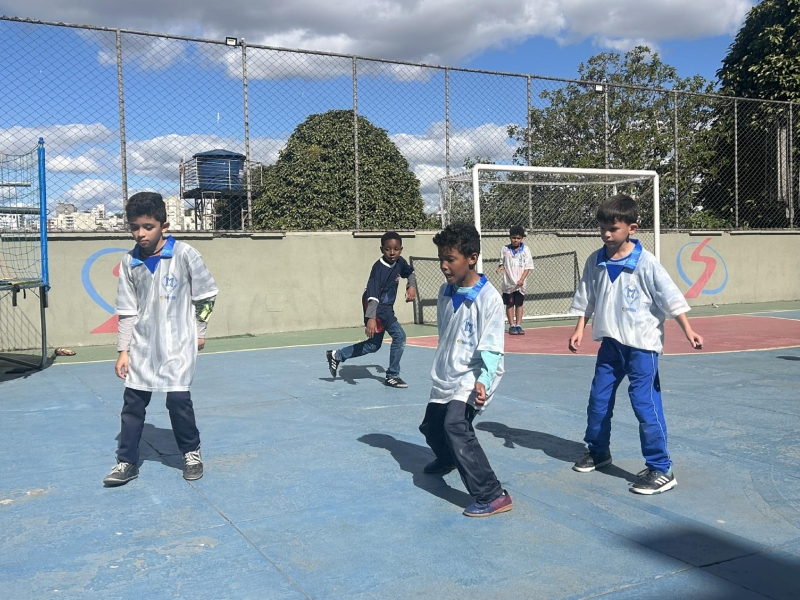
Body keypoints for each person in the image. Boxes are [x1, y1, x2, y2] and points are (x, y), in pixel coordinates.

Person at [568, 194, 703, 495]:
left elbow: (670, 297)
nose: (606, 234)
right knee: (598, 399)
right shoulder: (595, 260)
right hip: (610, 345)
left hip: (642, 346)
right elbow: (586, 297)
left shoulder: (646, 262)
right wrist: (579, 329)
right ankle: (599, 451)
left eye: (613, 228)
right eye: (602, 228)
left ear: (632, 228)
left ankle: (661, 468)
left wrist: (688, 330)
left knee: (645, 404)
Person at [103, 192, 218, 487]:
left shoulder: (185, 254)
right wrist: (123, 349)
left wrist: (200, 331)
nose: (140, 233)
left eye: (148, 226)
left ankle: (190, 453)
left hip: (178, 343)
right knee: (133, 403)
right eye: (134, 227)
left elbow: (206, 295)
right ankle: (127, 461)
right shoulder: (129, 262)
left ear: (163, 226)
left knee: (178, 400)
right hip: (142, 345)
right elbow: (127, 310)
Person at [420, 222, 512, 517]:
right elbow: (446, 334)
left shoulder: (489, 299)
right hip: (448, 372)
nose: (444, 266)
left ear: (472, 258)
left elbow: (493, 348)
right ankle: (448, 458)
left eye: (450, 259)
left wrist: (484, 380)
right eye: (441, 259)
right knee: (432, 426)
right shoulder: (445, 292)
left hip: (475, 373)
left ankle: (493, 494)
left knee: (456, 425)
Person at [326, 231, 417, 388]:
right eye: (388, 249)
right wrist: (371, 318)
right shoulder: (378, 269)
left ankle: (337, 355)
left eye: (396, 249)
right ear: (382, 249)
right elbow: (372, 295)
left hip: (386, 307)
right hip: (376, 307)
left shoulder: (400, 262)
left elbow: (410, 273)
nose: (392, 252)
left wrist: (411, 286)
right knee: (400, 337)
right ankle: (392, 376)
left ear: (401, 249)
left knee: (373, 345)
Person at [498, 225, 534, 335]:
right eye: (513, 237)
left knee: (519, 304)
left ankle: (518, 325)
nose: (516, 240)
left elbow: (528, 267)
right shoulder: (505, 249)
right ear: (510, 237)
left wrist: (522, 279)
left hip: (520, 283)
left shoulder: (525, 250)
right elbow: (502, 262)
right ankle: (512, 325)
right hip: (509, 283)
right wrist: (500, 267)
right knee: (509, 304)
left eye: (518, 238)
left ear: (522, 238)